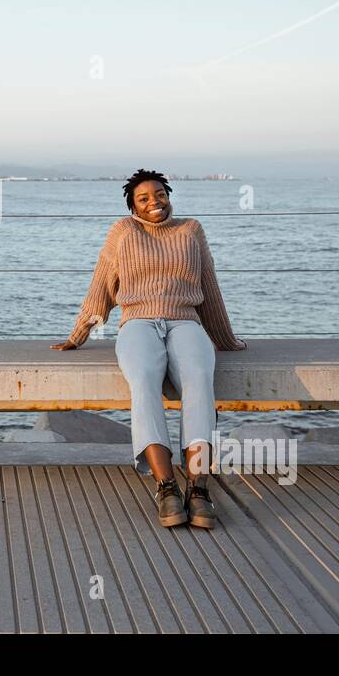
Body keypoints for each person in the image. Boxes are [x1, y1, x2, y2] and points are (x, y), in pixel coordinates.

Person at [51, 169, 247, 528]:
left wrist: (225, 339)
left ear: (168, 196)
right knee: (143, 380)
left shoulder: (191, 231)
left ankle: (199, 488)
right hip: (138, 323)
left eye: (160, 194)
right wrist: (78, 334)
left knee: (200, 379)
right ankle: (166, 486)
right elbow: (102, 287)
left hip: (186, 322)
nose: (154, 202)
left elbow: (210, 287)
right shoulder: (123, 233)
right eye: (144, 198)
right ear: (133, 207)